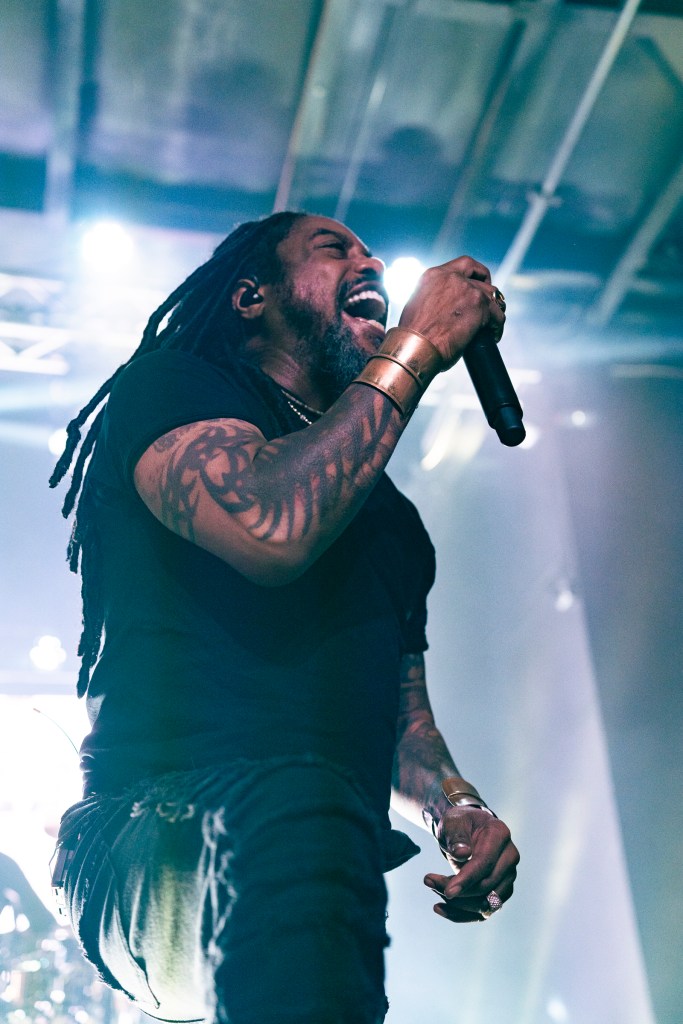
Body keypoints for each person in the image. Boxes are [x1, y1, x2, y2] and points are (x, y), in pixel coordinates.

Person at [49, 211, 519, 1024]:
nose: (370, 261)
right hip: (146, 837)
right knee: (306, 807)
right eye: (333, 249)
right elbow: (269, 526)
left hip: (301, 858)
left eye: (370, 249)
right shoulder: (175, 387)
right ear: (249, 297)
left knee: (317, 832)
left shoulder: (392, 523)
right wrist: (418, 343)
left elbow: (403, 725)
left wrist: (457, 807)